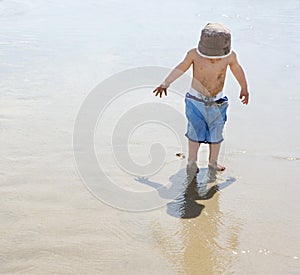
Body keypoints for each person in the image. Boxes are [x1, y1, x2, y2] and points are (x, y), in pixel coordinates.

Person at [153, 22, 249, 175]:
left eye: (217, 57)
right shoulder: (194, 54)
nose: (213, 59)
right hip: (195, 101)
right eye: (210, 56)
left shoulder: (230, 56)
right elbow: (181, 67)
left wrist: (244, 87)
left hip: (218, 102)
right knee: (194, 132)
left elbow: (237, 69)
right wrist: (166, 83)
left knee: (217, 132)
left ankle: (213, 162)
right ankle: (192, 161)